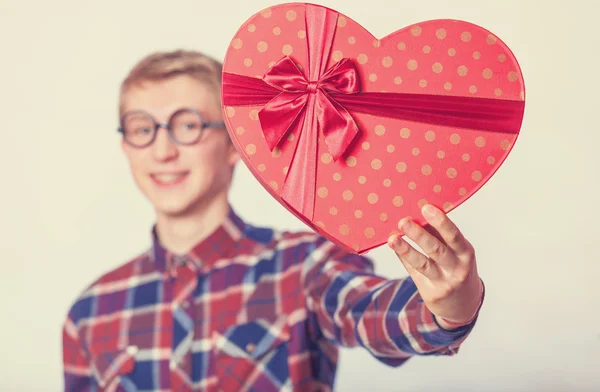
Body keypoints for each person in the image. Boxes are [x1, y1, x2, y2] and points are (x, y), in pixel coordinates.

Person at [62, 49, 485, 391]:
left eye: (187, 125)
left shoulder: (305, 265)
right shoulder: (90, 313)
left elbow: (367, 312)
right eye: (141, 129)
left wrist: (446, 307)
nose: (162, 151)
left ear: (235, 145)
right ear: (126, 146)